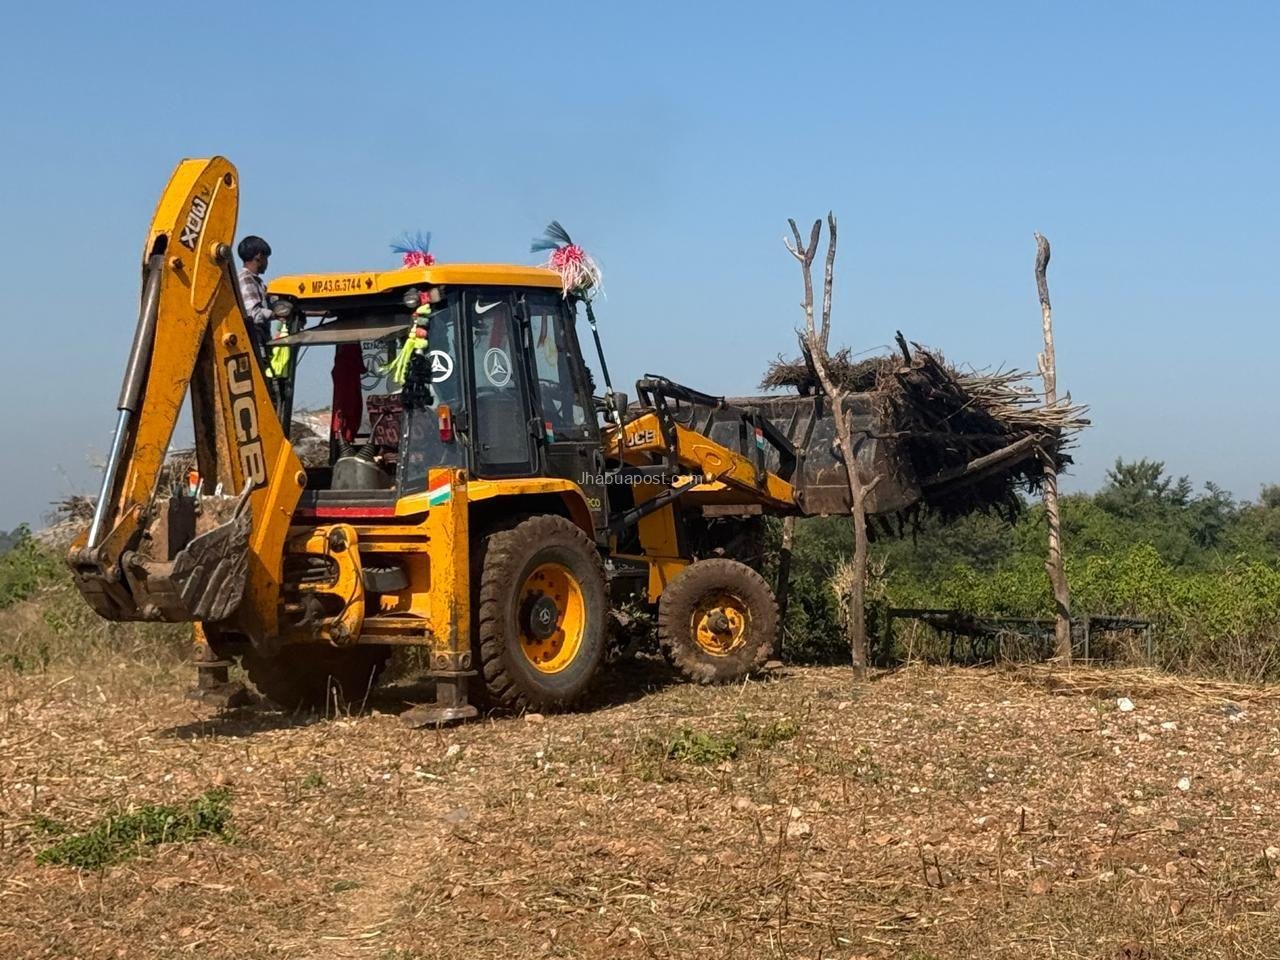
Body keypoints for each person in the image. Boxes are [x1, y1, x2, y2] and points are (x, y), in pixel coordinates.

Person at [236, 235, 273, 345]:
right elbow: (254, 314)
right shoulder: (246, 278)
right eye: (266, 258)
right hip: (255, 344)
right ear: (259, 256)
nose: (267, 263)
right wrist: (276, 314)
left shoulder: (258, 283)